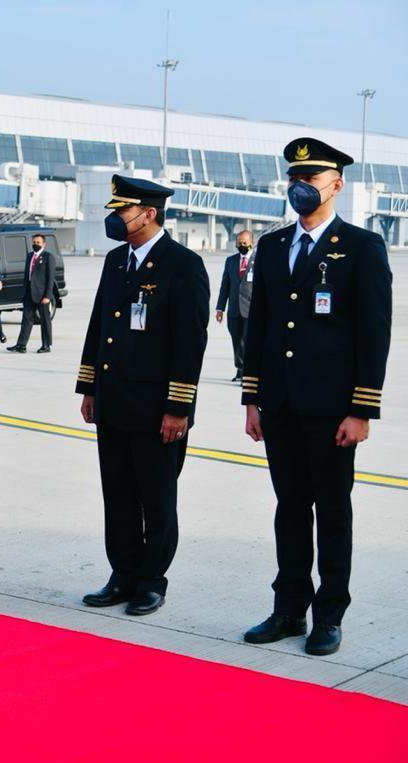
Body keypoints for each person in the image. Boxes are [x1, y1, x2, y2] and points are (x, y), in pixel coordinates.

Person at [241, 138, 392, 657]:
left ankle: (328, 615)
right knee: (288, 510)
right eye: (294, 178)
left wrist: (362, 408)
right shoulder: (274, 245)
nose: (300, 187)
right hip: (280, 406)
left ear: (337, 184)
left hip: (332, 411)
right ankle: (288, 609)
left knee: (332, 512)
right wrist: (253, 398)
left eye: (312, 178)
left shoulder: (361, 247)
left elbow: (375, 333)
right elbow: (259, 326)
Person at [76, 174, 209, 616]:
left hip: (156, 411)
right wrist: (89, 387)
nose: (115, 218)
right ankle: (123, 573)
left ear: (148, 214)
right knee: (117, 495)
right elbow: (100, 327)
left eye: (122, 210)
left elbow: (190, 344)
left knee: (156, 498)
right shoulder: (115, 261)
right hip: (113, 403)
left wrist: (178, 408)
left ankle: (152, 579)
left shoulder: (182, 264)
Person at [215, 230, 256, 381]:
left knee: (247, 340)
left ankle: (247, 373)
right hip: (233, 309)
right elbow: (224, 286)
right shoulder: (230, 261)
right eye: (239, 243)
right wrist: (220, 308)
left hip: (251, 309)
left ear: (252, 243)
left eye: (244, 243)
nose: (241, 246)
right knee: (236, 340)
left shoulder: (258, 260)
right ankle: (239, 369)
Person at [6, 233, 57, 353]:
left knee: (45, 320)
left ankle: (46, 345)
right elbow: (27, 274)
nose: (36, 245)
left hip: (42, 294)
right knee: (26, 319)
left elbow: (50, 278)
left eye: (38, 243)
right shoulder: (30, 256)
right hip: (29, 292)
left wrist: (48, 296)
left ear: (44, 244)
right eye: (34, 243)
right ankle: (21, 345)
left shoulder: (48, 257)